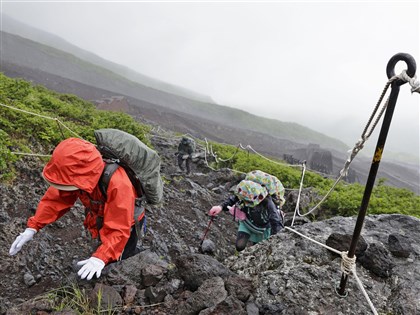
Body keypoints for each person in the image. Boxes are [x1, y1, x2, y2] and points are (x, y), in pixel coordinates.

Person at [9, 137, 142, 281]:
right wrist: (33, 227)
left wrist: (101, 258)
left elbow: (119, 227)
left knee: (118, 265)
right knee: (105, 253)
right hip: (102, 217)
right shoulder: (78, 172)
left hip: (128, 225)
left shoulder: (119, 184)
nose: (68, 188)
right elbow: (56, 199)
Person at [208, 179, 284, 252]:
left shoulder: (268, 202)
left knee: (258, 249)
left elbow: (275, 220)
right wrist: (220, 207)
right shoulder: (246, 192)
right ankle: (239, 256)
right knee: (239, 246)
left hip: (263, 230)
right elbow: (233, 199)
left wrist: (276, 239)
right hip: (247, 222)